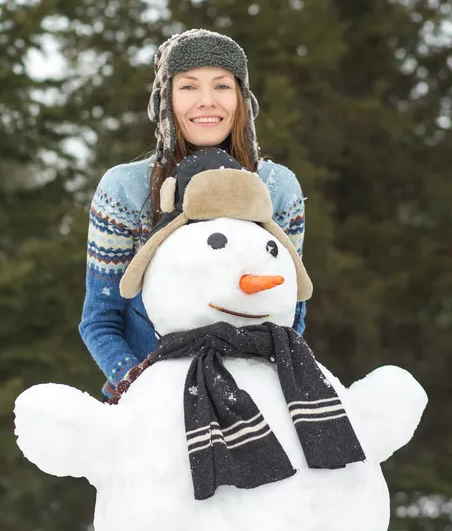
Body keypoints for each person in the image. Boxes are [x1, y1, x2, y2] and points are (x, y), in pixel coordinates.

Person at [79, 29, 307, 400]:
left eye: (221, 86)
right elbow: (100, 320)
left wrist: (257, 390)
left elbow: (291, 312)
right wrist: (143, 387)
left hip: (250, 402)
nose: (206, 102)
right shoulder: (125, 189)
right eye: (188, 87)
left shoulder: (277, 188)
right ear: (165, 99)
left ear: (241, 99)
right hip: (146, 402)